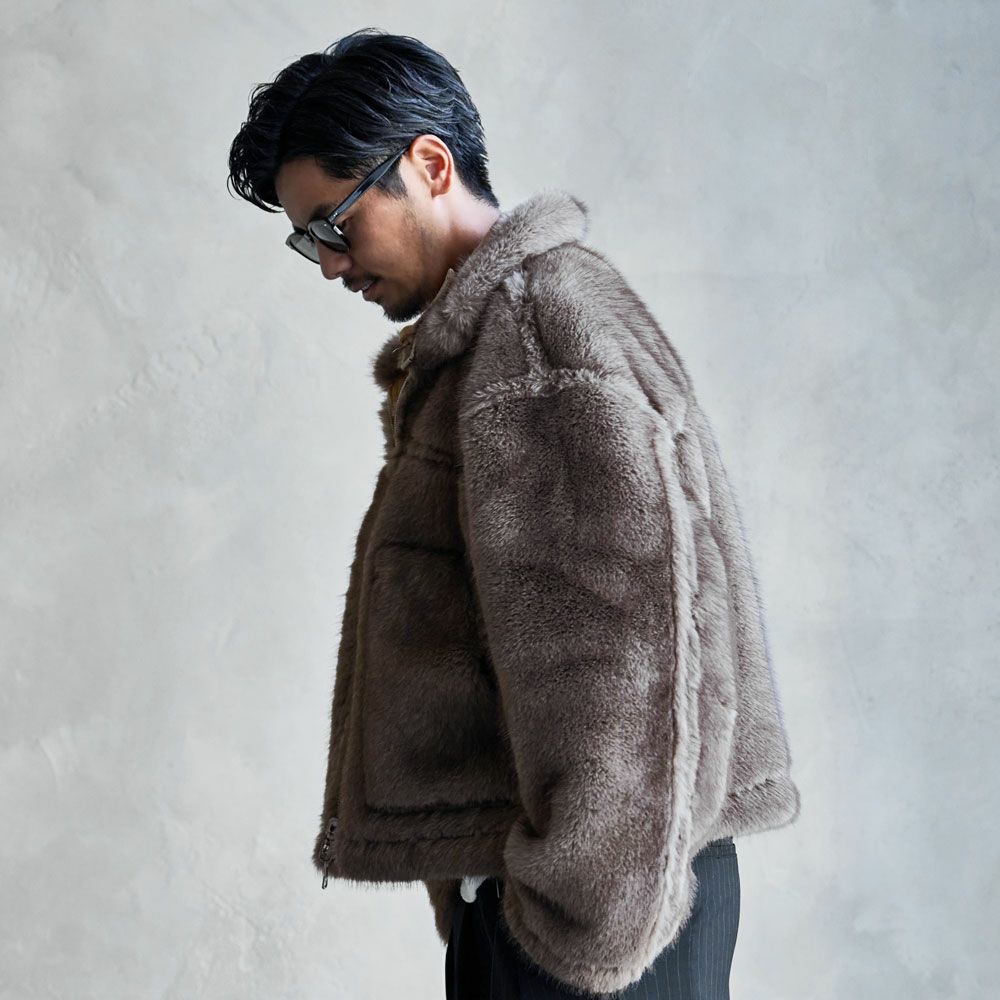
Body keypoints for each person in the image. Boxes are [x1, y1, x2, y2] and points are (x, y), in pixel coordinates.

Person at [227, 27, 801, 999]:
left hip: (602, 927)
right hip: (587, 907)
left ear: (429, 165)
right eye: (306, 240)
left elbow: (619, 654)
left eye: (334, 223)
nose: (327, 264)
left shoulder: (533, 336)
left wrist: (575, 919)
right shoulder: (503, 334)